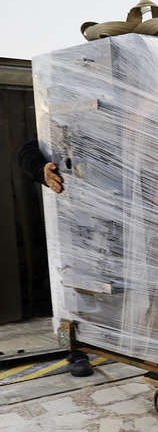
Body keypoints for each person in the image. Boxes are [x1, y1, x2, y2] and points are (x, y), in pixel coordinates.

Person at [17, 141, 94, 377]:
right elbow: (27, 151)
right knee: (70, 275)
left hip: (111, 203)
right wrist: (42, 170)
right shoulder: (56, 119)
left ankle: (118, 339)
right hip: (69, 206)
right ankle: (76, 347)